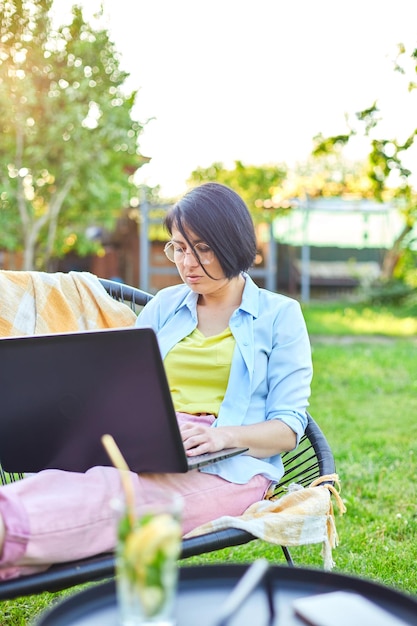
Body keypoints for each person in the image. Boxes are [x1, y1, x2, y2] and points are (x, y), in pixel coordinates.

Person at [0, 182, 313, 580]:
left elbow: (288, 429)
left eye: (202, 248)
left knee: (110, 498)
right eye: (179, 248)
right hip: (147, 441)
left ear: (233, 244)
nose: (187, 263)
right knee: (61, 481)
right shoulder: (166, 304)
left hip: (228, 463)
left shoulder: (280, 315)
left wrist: (224, 437)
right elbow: (124, 382)